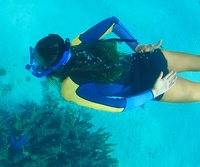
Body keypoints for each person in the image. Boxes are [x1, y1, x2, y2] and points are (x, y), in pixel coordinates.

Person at [25, 16, 200, 112]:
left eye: (40, 63)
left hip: (151, 84)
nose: (37, 65)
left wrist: (154, 92)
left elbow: (119, 106)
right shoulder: (79, 43)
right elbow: (112, 22)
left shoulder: (69, 89)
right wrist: (136, 46)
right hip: (150, 58)